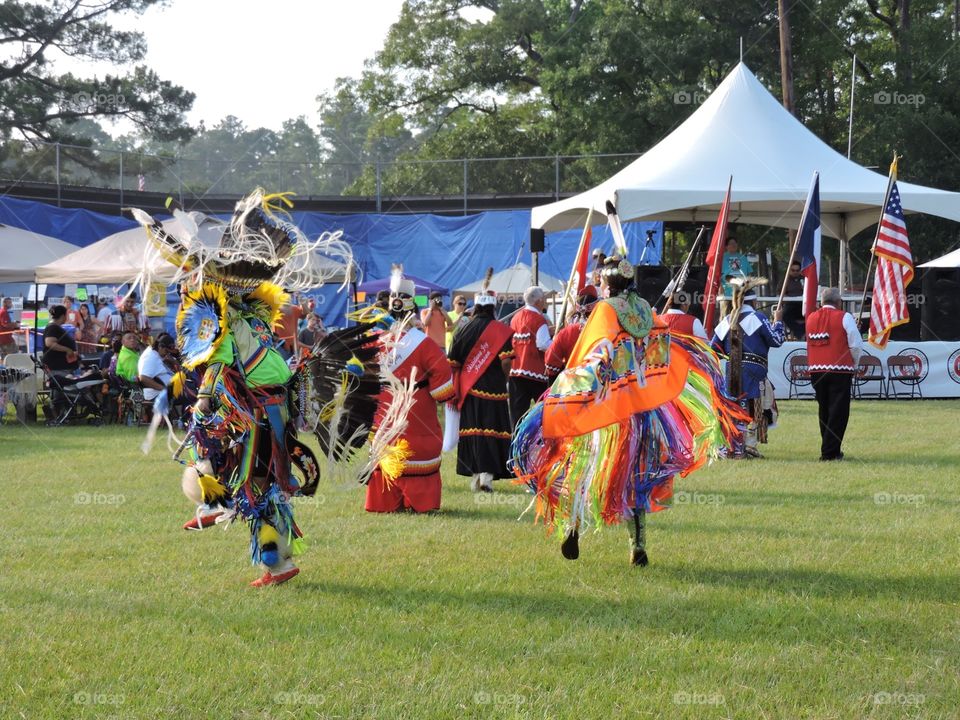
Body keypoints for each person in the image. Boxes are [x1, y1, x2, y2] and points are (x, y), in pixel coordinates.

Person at [131, 188, 335, 587]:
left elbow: (214, 367)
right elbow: (205, 367)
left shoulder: (224, 321)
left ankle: (273, 560)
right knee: (248, 473)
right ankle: (220, 510)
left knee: (254, 484)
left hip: (258, 414)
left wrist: (202, 402)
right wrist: (175, 393)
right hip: (271, 410)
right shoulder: (255, 316)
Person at [511, 256, 745, 566]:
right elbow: (659, 351)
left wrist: (571, 383)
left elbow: (595, 353)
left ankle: (574, 527)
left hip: (607, 409)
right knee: (636, 475)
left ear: (607, 286)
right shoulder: (646, 310)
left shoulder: (606, 310)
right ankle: (637, 545)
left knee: (586, 464)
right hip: (642, 411)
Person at [365, 267, 454, 513]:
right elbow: (443, 383)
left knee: (387, 445)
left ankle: (385, 501)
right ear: (413, 309)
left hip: (384, 407)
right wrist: (439, 393)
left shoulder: (374, 339)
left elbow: (364, 378)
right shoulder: (424, 344)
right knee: (417, 445)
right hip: (416, 408)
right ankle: (419, 501)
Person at [448, 286, 514, 492]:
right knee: (492, 430)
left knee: (474, 431)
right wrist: (505, 378)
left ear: (475, 306)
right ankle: (487, 477)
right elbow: (506, 362)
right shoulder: (501, 330)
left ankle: (476, 475)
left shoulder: (463, 329)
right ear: (493, 308)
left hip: (470, 389)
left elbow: (453, 362)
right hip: (495, 390)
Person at [711, 279, 784, 458]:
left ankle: (732, 445)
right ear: (754, 302)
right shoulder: (757, 318)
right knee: (754, 406)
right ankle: (748, 445)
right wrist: (778, 322)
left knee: (735, 406)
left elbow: (714, 348)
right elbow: (777, 340)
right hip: (754, 369)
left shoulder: (728, 320)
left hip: (732, 369)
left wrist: (732, 356)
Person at [805, 287, 862, 461]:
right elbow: (855, 343)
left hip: (816, 370)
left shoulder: (810, 318)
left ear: (821, 302)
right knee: (839, 411)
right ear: (839, 302)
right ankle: (830, 452)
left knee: (825, 410)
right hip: (840, 369)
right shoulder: (845, 316)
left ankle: (829, 447)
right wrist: (855, 363)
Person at [508, 285, 552, 426]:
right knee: (544, 409)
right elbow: (543, 344)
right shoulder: (539, 320)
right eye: (543, 299)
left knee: (517, 413)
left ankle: (516, 441)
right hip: (535, 372)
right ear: (538, 301)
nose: (545, 302)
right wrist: (556, 344)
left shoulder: (515, 317)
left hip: (515, 370)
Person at [544, 285, 598, 379]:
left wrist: (560, 374)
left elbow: (551, 361)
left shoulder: (567, 332)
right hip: (600, 383)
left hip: (573, 383)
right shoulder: (605, 329)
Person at [719, 236, 754, 318]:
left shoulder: (743, 258)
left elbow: (749, 274)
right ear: (726, 246)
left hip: (741, 293)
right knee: (725, 316)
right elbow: (717, 275)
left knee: (740, 317)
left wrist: (748, 286)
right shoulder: (722, 258)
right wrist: (720, 287)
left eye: (735, 243)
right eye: (731, 243)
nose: (733, 245)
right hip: (727, 293)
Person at [137, 333, 176, 403]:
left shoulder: (156, 352)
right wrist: (164, 389)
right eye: (166, 351)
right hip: (157, 394)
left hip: (168, 389)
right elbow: (143, 378)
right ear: (160, 347)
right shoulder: (150, 357)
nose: (167, 354)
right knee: (191, 395)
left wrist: (173, 362)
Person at [42, 305, 79, 375]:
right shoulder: (52, 327)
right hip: (57, 368)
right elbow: (49, 343)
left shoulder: (56, 327)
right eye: (66, 315)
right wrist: (68, 350)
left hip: (63, 367)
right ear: (63, 316)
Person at [782, 260, 806, 340]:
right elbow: (780, 293)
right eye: (793, 270)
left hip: (803, 304)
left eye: (797, 270)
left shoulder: (805, 279)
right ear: (789, 270)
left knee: (812, 314)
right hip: (790, 305)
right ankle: (801, 333)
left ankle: (804, 332)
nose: (795, 272)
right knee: (784, 315)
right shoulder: (785, 280)